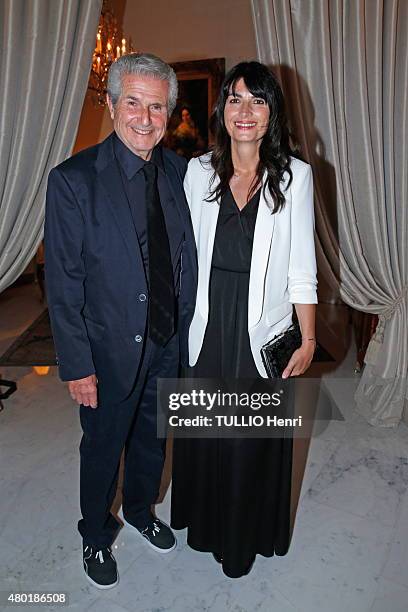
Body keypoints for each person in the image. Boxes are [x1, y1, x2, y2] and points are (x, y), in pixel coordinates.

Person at [44, 53, 197, 589]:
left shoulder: (184, 173)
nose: (144, 117)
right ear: (111, 106)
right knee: (103, 446)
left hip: (168, 341)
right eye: (132, 102)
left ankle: (138, 510)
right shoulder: (73, 181)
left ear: (169, 113)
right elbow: (62, 283)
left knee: (154, 442)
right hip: (107, 350)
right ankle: (93, 534)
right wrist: (76, 366)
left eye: (156, 106)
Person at [171, 61, 317, 578]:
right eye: (235, 99)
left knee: (247, 440)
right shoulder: (198, 172)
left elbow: (302, 267)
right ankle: (206, 526)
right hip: (208, 324)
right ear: (222, 110)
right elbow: (182, 253)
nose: (246, 111)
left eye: (257, 99)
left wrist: (309, 337)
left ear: (272, 110)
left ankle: (243, 538)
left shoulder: (295, 177)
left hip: (262, 329)